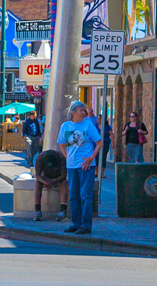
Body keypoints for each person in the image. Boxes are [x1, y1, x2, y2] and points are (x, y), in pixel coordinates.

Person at [58, 100, 102, 235]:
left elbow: (99, 142)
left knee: (85, 195)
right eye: (81, 110)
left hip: (86, 165)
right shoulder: (65, 126)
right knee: (73, 195)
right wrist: (67, 157)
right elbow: (61, 143)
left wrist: (91, 157)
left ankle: (86, 225)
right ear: (73, 112)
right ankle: (75, 223)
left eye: (84, 110)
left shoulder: (88, 125)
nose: (84, 112)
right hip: (72, 166)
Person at [32, 148, 69, 222]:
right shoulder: (40, 158)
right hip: (46, 177)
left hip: (58, 178)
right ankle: (37, 211)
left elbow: (63, 175)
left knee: (64, 183)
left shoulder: (61, 157)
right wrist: (45, 182)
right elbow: (38, 176)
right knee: (37, 183)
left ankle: (63, 211)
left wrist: (53, 181)